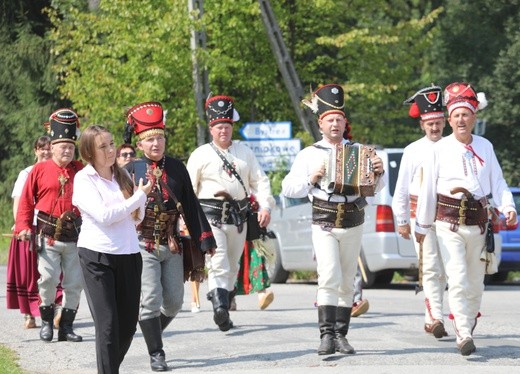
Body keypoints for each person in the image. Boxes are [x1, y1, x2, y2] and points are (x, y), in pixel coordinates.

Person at [414, 82, 517, 356]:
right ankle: (462, 331)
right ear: (449, 119)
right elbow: (427, 191)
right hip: (448, 224)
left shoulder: (485, 146)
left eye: (466, 114)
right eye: (456, 115)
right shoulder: (438, 150)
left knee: (475, 283)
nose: (461, 119)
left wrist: (508, 206)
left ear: (474, 117)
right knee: (457, 277)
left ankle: (468, 323)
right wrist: (422, 226)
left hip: (479, 224)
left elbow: (498, 182)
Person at [281, 84, 385, 356]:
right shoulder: (310, 153)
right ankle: (326, 335)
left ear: (344, 122)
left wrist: (379, 173)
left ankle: (341, 334)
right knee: (329, 275)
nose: (335, 124)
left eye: (339, 119)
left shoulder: (360, 151)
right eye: (330, 120)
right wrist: (311, 178)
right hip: (324, 219)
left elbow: (374, 190)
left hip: (353, 218)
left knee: (348, 278)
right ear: (321, 124)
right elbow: (288, 188)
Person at [124, 101, 216, 372]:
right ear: (140, 144)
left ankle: (151, 330)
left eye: (160, 138)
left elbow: (190, 205)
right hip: (143, 244)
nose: (156, 144)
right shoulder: (129, 171)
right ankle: (157, 353)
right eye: (150, 139)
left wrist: (205, 239)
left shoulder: (177, 168)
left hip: (172, 243)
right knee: (150, 299)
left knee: (174, 302)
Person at [186, 94, 275, 332]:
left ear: (231, 127)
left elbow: (260, 181)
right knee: (218, 262)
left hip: (238, 218)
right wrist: (188, 221)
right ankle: (219, 309)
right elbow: (189, 191)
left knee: (232, 265)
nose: (223, 131)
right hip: (210, 217)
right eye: (218, 127)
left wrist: (266, 206)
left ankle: (223, 304)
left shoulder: (245, 152)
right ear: (211, 129)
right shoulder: (200, 154)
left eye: (226, 126)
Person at [73, 125, 152, 373]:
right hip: (96, 256)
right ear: (88, 152)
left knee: (127, 326)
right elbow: (105, 216)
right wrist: (138, 198)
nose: (110, 150)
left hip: (128, 254)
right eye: (103, 146)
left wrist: (142, 199)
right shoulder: (84, 179)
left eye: (111, 143)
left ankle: (107, 369)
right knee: (107, 325)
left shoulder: (123, 176)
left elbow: (136, 218)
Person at [14, 108, 84, 343]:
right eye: (63, 146)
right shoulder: (39, 170)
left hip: (75, 237)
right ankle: (46, 322)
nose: (67, 150)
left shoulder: (81, 170)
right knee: (48, 279)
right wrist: (22, 226)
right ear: (52, 147)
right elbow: (26, 200)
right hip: (48, 236)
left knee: (74, 283)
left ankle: (66, 327)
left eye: (71, 147)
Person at [392, 85, 448, 338]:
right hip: (419, 217)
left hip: (449, 217)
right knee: (430, 268)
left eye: (438, 123)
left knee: (448, 269)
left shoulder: (453, 147)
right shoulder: (412, 150)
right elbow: (401, 188)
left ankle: (438, 315)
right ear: (422, 125)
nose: (434, 128)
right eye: (430, 124)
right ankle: (434, 317)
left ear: (444, 122)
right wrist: (402, 220)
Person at [6, 136, 61, 329]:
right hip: (30, 228)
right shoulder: (27, 173)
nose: (45, 152)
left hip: (52, 228)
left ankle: (55, 311)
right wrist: (22, 226)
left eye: (48, 148)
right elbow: (19, 201)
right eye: (41, 148)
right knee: (29, 275)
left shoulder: (59, 171)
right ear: (35, 150)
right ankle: (29, 315)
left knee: (53, 273)